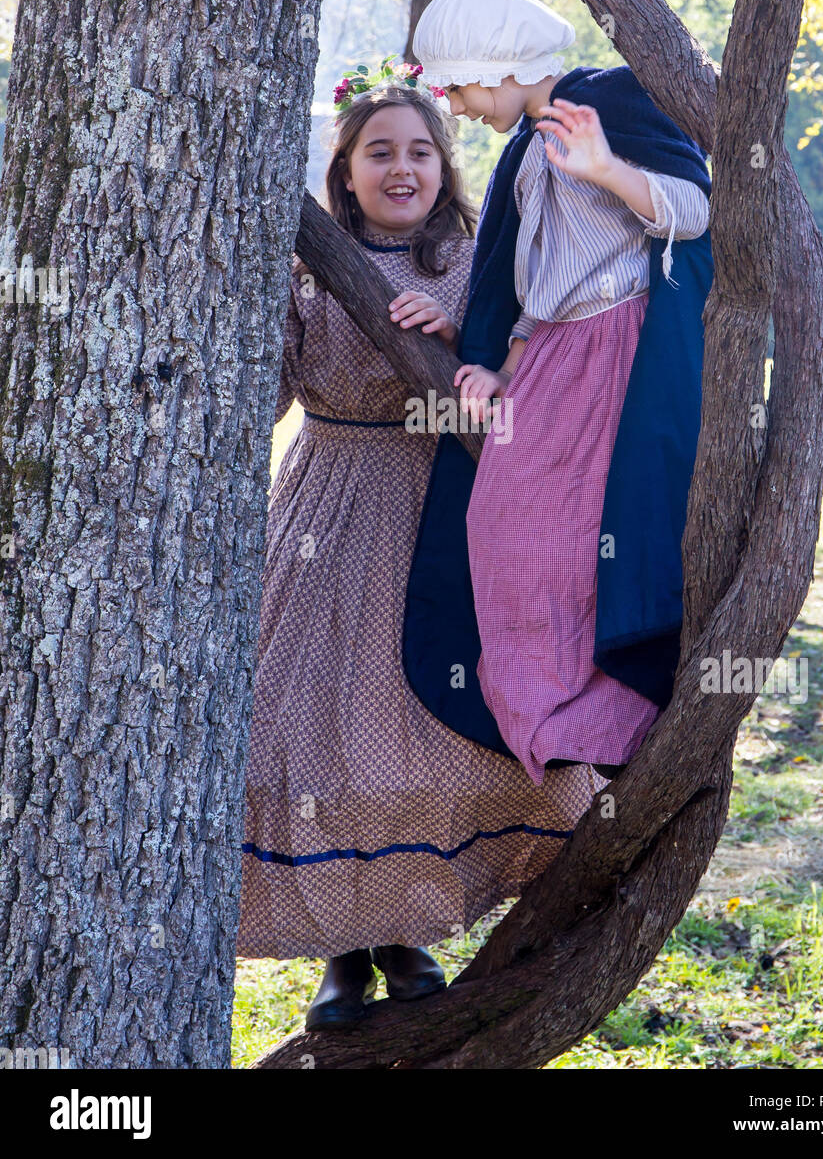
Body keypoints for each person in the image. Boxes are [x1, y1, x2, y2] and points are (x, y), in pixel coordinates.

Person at [236, 56, 605, 1030]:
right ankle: (345, 956)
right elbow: (265, 390)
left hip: (440, 505)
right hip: (322, 505)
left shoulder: (478, 254)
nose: (402, 170)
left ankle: (411, 927)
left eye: (419, 153)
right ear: (344, 169)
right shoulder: (305, 262)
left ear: (444, 165)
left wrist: (466, 334)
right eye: (377, 153)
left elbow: (537, 375)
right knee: (313, 733)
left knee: (426, 724)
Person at [403, 0, 713, 785]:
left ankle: (611, 717)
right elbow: (538, 283)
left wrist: (608, 168)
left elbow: (696, 209)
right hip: (550, 360)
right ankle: (553, 718)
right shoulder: (528, 145)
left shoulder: (608, 102)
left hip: (616, 354)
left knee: (577, 539)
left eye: (460, 85)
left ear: (498, 63)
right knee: (500, 529)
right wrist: (500, 363)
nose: (459, 105)